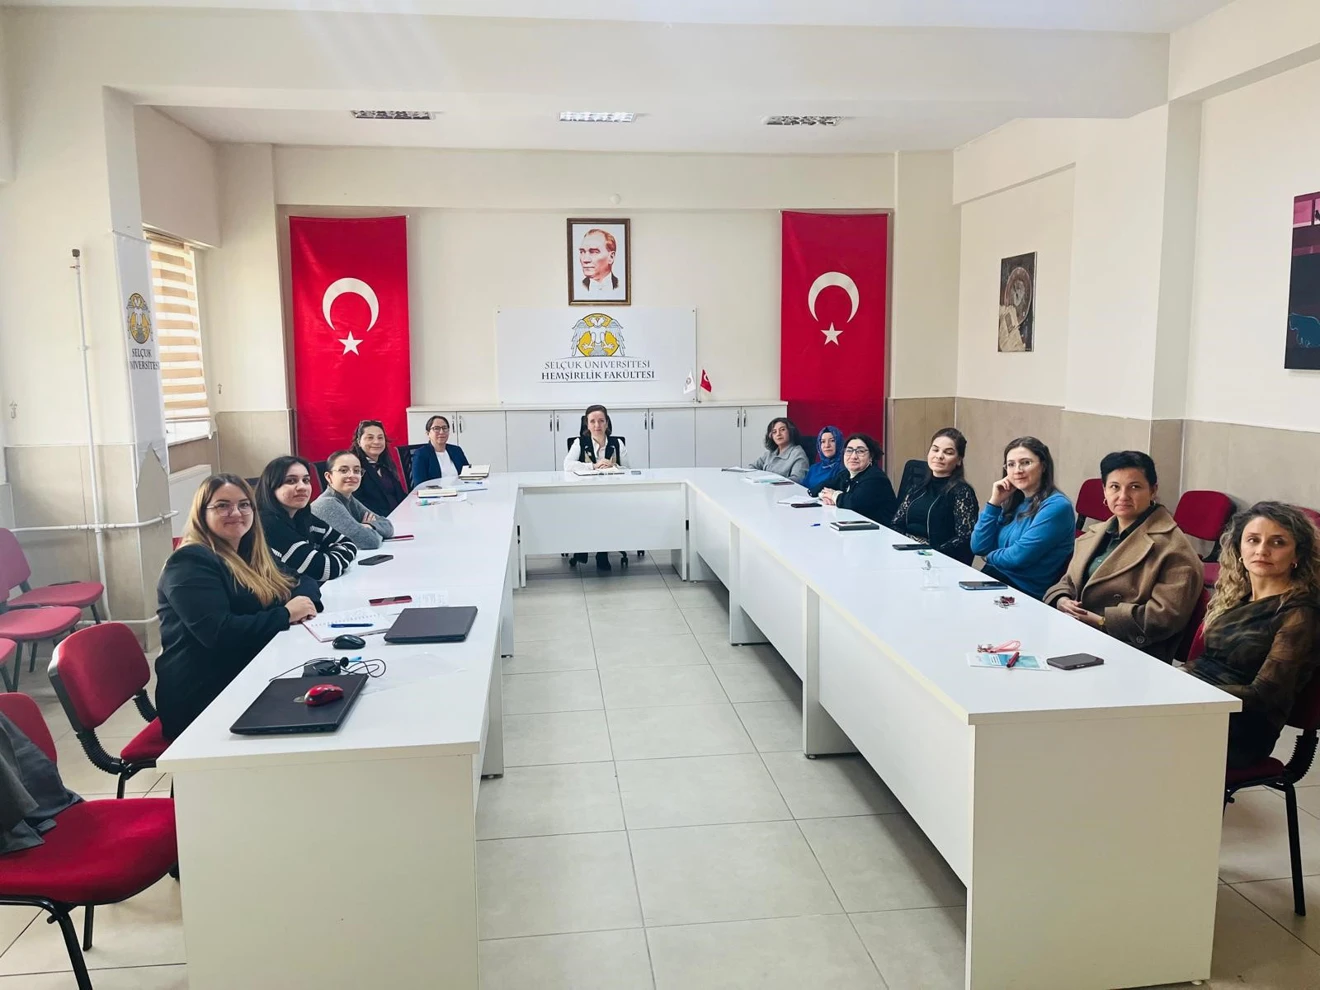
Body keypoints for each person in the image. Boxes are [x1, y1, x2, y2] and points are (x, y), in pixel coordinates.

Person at [156, 474, 321, 739]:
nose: (236, 513)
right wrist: (287, 613)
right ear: (202, 513)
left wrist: (301, 603)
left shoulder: (249, 550)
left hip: (248, 669)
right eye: (222, 505)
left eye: (244, 505)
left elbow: (303, 580)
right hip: (205, 694)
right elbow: (219, 633)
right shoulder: (189, 562)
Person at [1184, 503, 1320, 769]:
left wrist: (1186, 692)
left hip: (1242, 728)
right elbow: (1207, 663)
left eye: (1277, 542)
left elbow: (1264, 695)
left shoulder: (1301, 613)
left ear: (1297, 554)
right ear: (1239, 549)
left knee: (1134, 739)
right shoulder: (1236, 595)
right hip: (1202, 705)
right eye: (1253, 540)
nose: (1262, 550)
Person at [1045, 451, 1203, 661]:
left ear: (1153, 490)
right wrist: (1062, 599)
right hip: (1077, 634)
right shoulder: (1095, 534)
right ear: (1104, 491)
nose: (1123, 496)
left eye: (1134, 487)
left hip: (1129, 651)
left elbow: (1164, 617)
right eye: (1114, 487)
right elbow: (1067, 581)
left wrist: (1101, 621)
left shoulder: (1174, 548)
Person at [970, 436, 1075, 599]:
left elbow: (1017, 557)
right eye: (1011, 464)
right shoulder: (1014, 500)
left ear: (1043, 466)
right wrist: (994, 503)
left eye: (1026, 462)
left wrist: (988, 556)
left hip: (1023, 592)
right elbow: (978, 546)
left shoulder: (1057, 506)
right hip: (994, 579)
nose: (1017, 470)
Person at [255, 456, 358, 582]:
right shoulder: (268, 524)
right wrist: (328, 554)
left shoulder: (302, 515)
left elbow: (348, 543)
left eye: (306, 480)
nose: (302, 487)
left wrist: (326, 555)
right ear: (271, 487)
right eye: (291, 481)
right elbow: (325, 570)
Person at [890, 427, 978, 564]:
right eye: (935, 450)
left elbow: (964, 538)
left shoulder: (962, 492)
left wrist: (929, 551)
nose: (939, 456)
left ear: (959, 460)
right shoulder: (917, 487)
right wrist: (907, 547)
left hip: (938, 561)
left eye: (948, 452)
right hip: (907, 556)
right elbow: (896, 524)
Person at [564, 404, 629, 571]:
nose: (597, 425)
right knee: (592, 510)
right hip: (584, 493)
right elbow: (567, 465)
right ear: (587, 424)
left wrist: (613, 466)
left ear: (607, 423)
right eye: (592, 421)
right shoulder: (580, 443)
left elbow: (628, 469)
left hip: (612, 493)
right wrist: (593, 466)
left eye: (601, 421)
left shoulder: (617, 443)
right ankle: (586, 547)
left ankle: (602, 553)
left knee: (606, 510)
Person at [312, 450, 396, 550]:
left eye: (357, 471)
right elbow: (370, 541)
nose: (352, 475)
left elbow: (388, 526)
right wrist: (369, 529)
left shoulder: (349, 498)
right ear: (329, 477)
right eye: (344, 470)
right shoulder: (327, 504)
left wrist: (369, 526)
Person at [815, 433, 896, 523]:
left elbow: (854, 503)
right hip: (857, 524)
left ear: (871, 457)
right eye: (849, 451)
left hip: (881, 528)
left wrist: (834, 495)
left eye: (860, 451)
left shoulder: (876, 478)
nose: (853, 456)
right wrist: (825, 496)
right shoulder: (846, 474)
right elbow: (817, 488)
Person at [350, 419, 406, 516]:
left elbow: (400, 495)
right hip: (377, 520)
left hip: (400, 515)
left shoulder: (385, 464)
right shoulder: (353, 467)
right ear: (359, 442)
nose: (376, 442)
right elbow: (356, 503)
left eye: (380, 438)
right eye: (370, 438)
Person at [412, 415, 470, 486]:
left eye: (444, 428)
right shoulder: (421, 454)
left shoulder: (456, 450)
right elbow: (420, 484)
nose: (441, 432)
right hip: (436, 492)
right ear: (428, 433)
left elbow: (468, 475)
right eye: (436, 428)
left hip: (460, 490)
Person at [748, 417, 808, 482]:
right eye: (774, 432)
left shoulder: (797, 453)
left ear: (791, 431)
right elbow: (752, 467)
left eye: (782, 430)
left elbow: (798, 479)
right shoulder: (770, 453)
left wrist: (773, 481)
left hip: (784, 488)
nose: (778, 434)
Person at [578, 227, 625, 300]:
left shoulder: (622, 285)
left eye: (594, 252)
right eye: (582, 252)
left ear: (611, 257)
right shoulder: (578, 288)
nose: (585, 259)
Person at [803, 425, 844, 495]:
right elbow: (802, 488)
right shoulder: (814, 468)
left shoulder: (843, 470)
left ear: (839, 443)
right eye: (823, 441)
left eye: (832, 441)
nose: (827, 445)